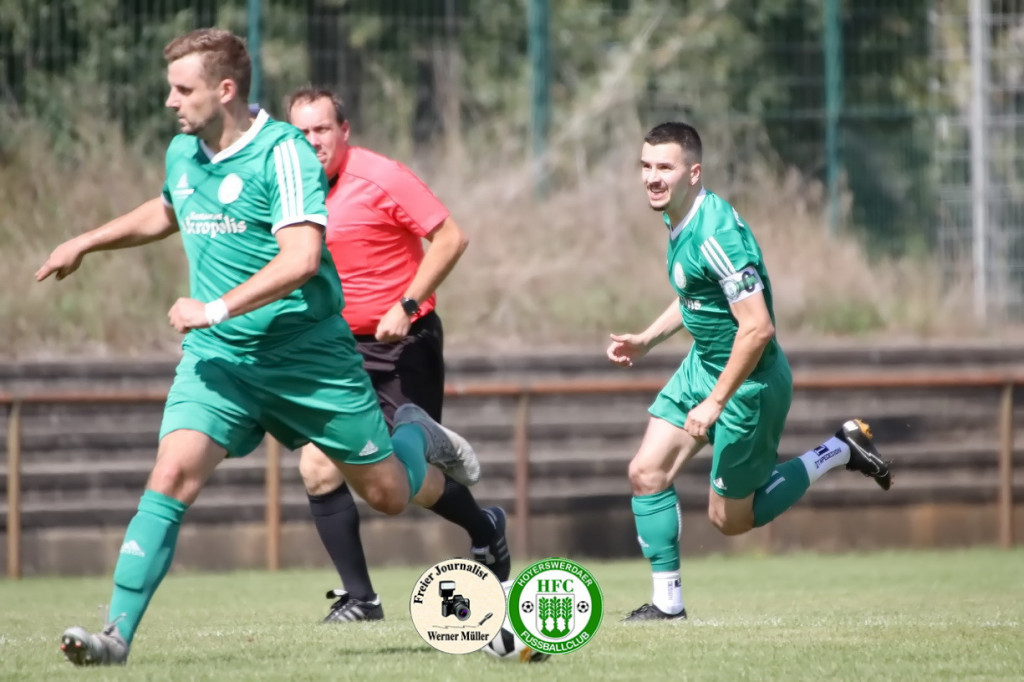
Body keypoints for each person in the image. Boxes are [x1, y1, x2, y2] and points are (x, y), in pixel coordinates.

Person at [37, 28, 481, 666]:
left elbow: (302, 259)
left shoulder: (284, 154)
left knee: (386, 494)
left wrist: (211, 307)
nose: (170, 101)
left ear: (225, 90)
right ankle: (116, 636)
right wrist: (86, 240)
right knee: (170, 476)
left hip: (309, 359)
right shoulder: (183, 152)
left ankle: (414, 432)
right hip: (221, 361)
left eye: (182, 89)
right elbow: (168, 210)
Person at [607, 122, 893, 622]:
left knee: (729, 520)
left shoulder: (716, 234)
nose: (653, 178)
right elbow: (695, 294)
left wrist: (715, 401)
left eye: (665, 168)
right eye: (646, 166)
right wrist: (646, 340)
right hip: (704, 365)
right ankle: (667, 606)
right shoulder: (678, 217)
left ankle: (838, 449)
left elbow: (757, 329)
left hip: (748, 385)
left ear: (693, 173)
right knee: (646, 473)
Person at [285, 88, 509, 623]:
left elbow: (451, 238)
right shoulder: (290, 190)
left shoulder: (381, 177)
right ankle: (361, 599)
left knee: (396, 485)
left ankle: (483, 527)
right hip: (339, 350)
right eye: (301, 133)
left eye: (321, 130)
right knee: (317, 465)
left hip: (402, 344)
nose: (311, 141)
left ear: (344, 130)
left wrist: (405, 305)